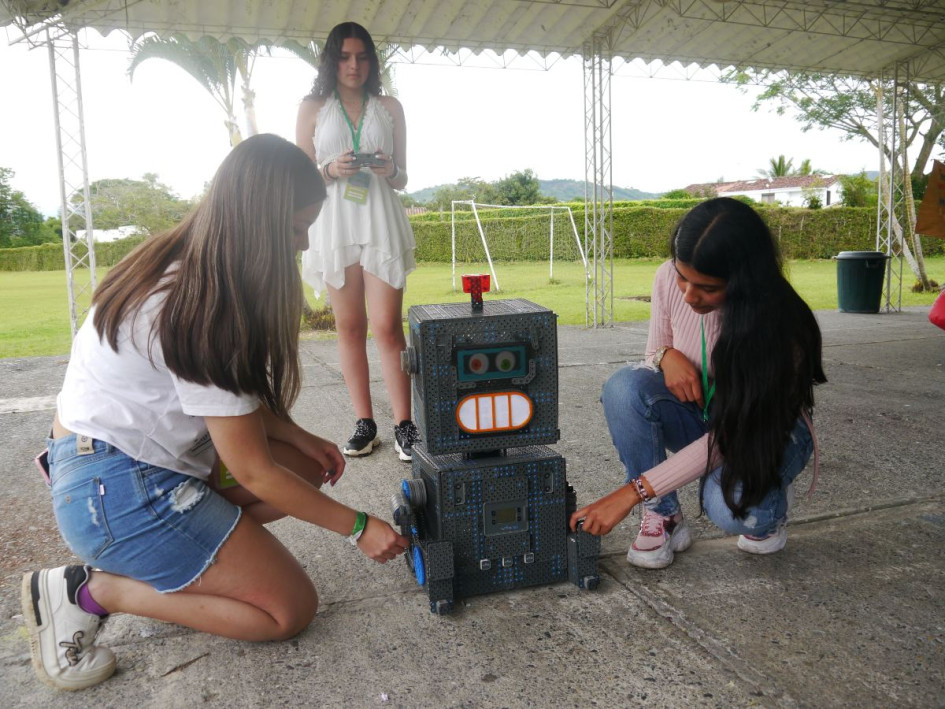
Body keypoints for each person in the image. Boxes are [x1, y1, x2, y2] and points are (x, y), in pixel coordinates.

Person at [21, 134, 409, 692]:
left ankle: (201, 547)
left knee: (305, 468)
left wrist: (296, 434)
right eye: (298, 229)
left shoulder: (190, 264)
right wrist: (358, 526)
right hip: (113, 494)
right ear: (262, 223)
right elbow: (252, 471)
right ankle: (88, 591)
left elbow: (221, 402)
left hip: (106, 469)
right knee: (288, 609)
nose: (302, 245)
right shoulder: (203, 308)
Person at [570, 197, 826, 568]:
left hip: (764, 432)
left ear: (744, 281)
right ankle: (665, 514)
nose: (688, 295)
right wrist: (664, 356)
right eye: (682, 276)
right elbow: (652, 357)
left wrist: (629, 493)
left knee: (729, 506)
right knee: (624, 388)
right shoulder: (666, 279)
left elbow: (729, 438)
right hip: (705, 413)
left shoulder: (781, 329)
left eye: (707, 287)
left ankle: (767, 510)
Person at [295, 21, 418, 462]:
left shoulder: (389, 106)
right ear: (332, 61)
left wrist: (389, 171)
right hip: (333, 223)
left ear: (371, 61)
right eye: (345, 57)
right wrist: (329, 171)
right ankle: (365, 423)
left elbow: (404, 177)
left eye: (362, 56)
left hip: (380, 220)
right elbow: (302, 174)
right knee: (349, 327)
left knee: (387, 327)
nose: (354, 65)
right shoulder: (312, 106)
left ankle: (405, 424)